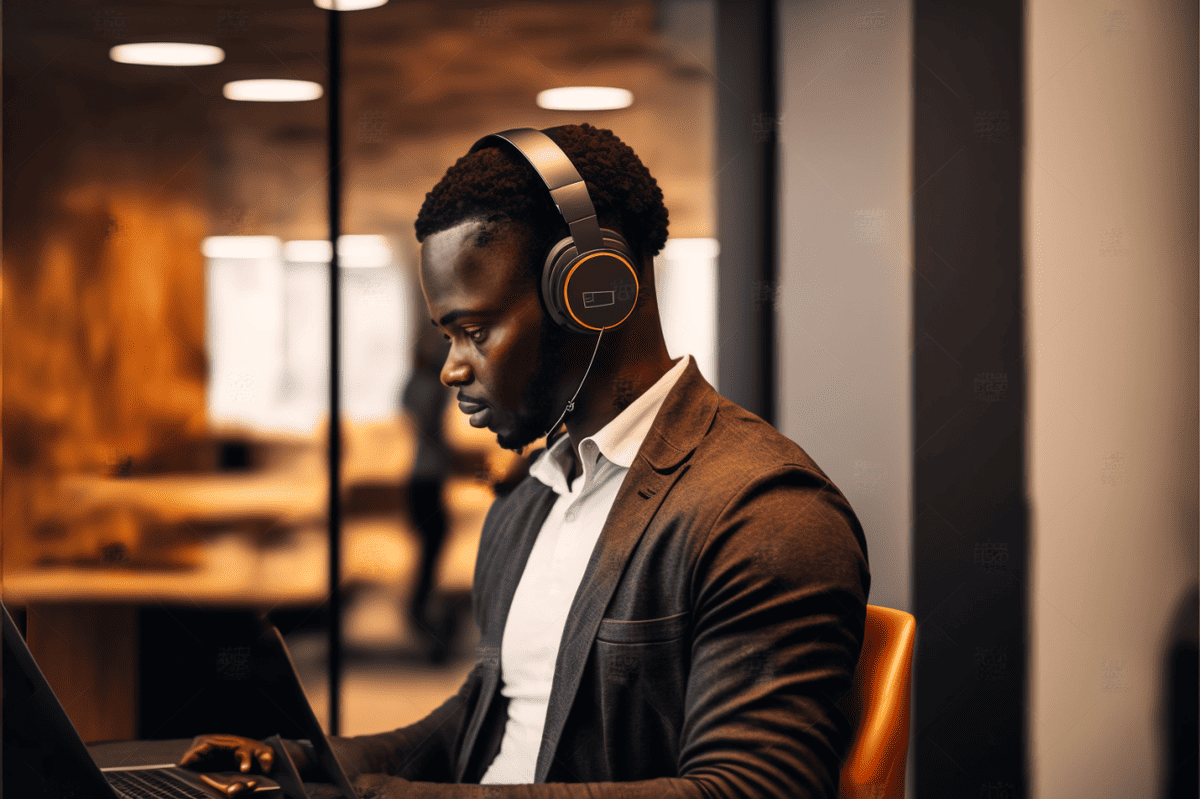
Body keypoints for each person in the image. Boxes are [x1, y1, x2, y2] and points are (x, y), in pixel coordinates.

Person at [179, 123, 871, 799]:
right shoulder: (531, 500)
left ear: (593, 293)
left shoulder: (763, 513)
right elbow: (485, 716)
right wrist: (302, 761)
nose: (452, 369)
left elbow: (758, 786)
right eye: (447, 334)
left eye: (474, 331)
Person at [401, 324, 456, 663]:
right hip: (426, 477)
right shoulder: (427, 388)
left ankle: (421, 608)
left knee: (432, 545)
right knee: (432, 546)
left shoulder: (412, 385)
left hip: (421, 476)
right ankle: (419, 609)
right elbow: (432, 426)